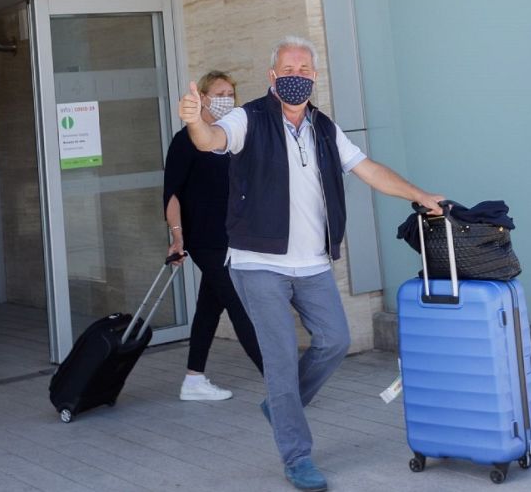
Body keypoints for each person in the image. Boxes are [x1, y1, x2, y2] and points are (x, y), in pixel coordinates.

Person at [179, 36, 445, 492]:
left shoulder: (324, 128)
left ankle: (283, 406)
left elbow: (370, 170)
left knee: (335, 340)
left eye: (305, 69)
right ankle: (297, 455)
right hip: (258, 262)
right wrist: (194, 124)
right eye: (288, 68)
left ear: (315, 77)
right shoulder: (250, 118)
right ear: (272, 76)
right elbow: (212, 140)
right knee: (281, 359)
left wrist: (420, 195)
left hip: (314, 263)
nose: (297, 75)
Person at [163, 70, 265, 401]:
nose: (227, 99)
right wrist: (177, 238)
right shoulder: (185, 141)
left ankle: (193, 380)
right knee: (239, 305)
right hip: (205, 240)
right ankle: (280, 381)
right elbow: (172, 194)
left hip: (231, 237)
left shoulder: (229, 139)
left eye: (230, 93)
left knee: (210, 306)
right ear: (204, 97)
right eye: (220, 92)